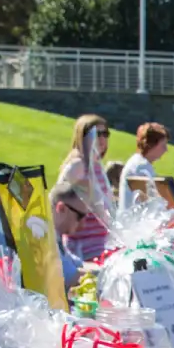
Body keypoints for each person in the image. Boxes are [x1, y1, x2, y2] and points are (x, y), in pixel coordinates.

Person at [54, 113, 114, 264]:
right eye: (96, 134)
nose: (101, 139)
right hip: (84, 247)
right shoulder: (78, 165)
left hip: (101, 243)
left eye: (105, 134)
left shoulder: (96, 165)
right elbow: (56, 200)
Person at [118, 122, 170, 207]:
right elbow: (156, 203)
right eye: (163, 145)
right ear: (152, 145)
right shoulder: (141, 167)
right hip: (134, 219)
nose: (166, 150)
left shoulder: (139, 163)